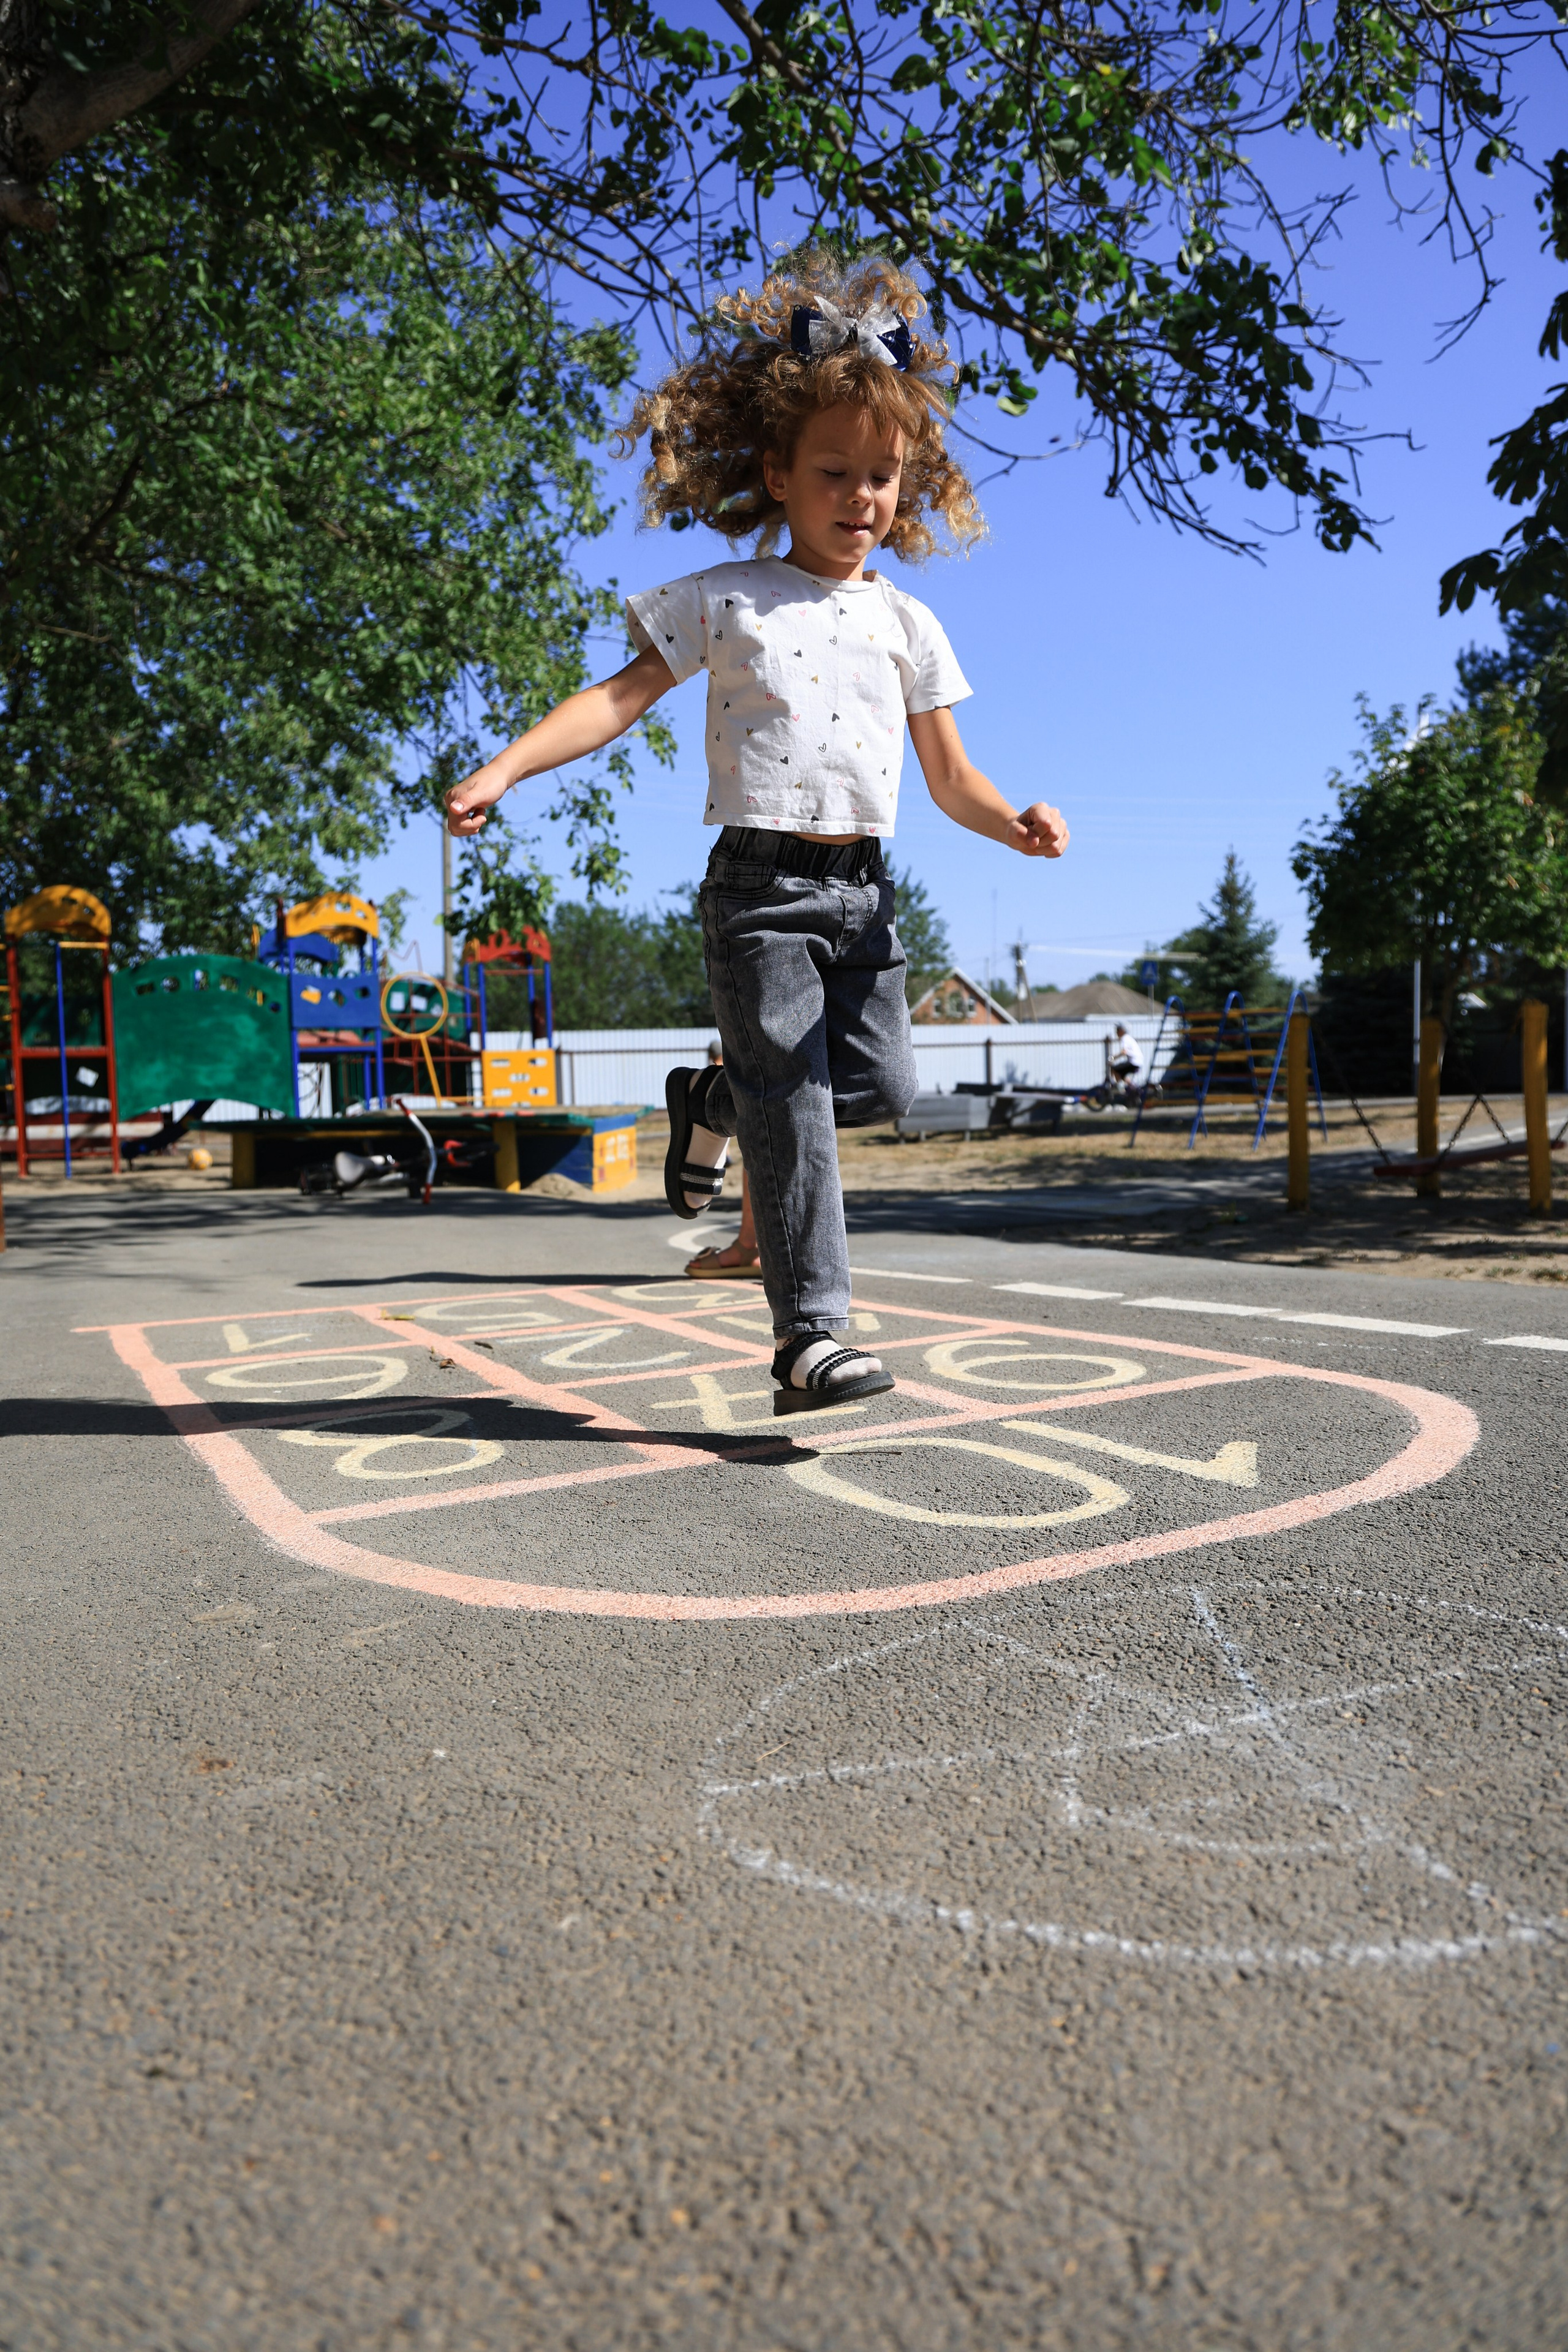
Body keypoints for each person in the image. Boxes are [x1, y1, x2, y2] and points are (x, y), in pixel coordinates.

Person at [445, 251, 1068, 1415]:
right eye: (834, 472)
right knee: (798, 1111)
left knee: (878, 1087)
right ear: (779, 474)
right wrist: (505, 768)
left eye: (883, 477)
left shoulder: (910, 625)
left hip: (864, 895)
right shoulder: (728, 597)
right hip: (761, 893)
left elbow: (952, 778)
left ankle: (711, 1101)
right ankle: (809, 1338)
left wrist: (1013, 823)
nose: (861, 498)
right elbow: (618, 699)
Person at [1107, 1024, 1145, 1088]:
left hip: (1134, 1062)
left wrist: (1113, 1058)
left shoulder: (1125, 1038)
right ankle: (1133, 1087)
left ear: (1122, 1031)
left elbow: (1124, 1052)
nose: (1116, 1032)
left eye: (1118, 1030)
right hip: (1138, 1062)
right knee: (1121, 1075)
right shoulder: (1128, 1038)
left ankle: (1118, 1088)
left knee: (1114, 1069)